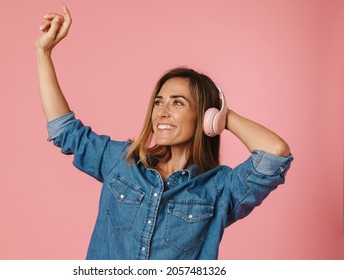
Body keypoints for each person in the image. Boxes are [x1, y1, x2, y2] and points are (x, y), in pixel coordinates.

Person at [34, 6, 293, 260]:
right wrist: (42, 52)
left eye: (177, 102)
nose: (162, 112)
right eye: (159, 102)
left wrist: (224, 116)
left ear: (204, 115)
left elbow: (275, 153)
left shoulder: (218, 189)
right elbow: (65, 130)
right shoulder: (122, 161)